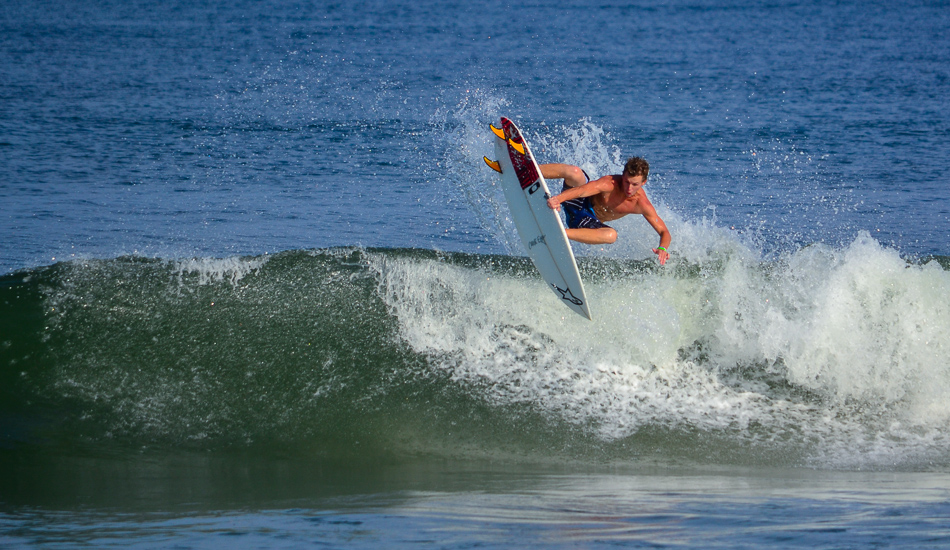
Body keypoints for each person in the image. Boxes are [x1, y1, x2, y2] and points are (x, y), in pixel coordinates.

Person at [542, 157, 671, 265]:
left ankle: (558, 233)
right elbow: (583, 190)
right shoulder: (611, 183)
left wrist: (662, 248)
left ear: (643, 182)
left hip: (585, 221)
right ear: (623, 175)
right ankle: (527, 171)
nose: (629, 188)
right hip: (577, 201)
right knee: (575, 172)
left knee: (611, 235)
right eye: (626, 182)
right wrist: (558, 199)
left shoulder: (642, 204)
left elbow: (664, 232)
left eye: (635, 184)